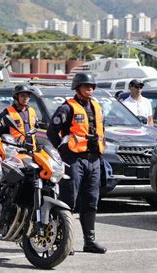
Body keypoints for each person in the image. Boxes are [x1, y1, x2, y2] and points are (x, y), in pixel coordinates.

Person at [46, 72, 107, 254]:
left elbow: (102, 129)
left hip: (93, 160)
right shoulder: (67, 108)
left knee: (91, 201)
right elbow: (51, 132)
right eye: (85, 85)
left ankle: (90, 241)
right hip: (73, 160)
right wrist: (62, 150)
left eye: (92, 86)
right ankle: (63, 241)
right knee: (67, 201)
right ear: (77, 87)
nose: (90, 88)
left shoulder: (98, 107)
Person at [0, 85, 38, 150]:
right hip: (15, 150)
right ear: (16, 97)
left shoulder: (32, 111)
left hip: (32, 149)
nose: (26, 98)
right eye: (22, 95)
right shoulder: (7, 112)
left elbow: (35, 128)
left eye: (27, 96)